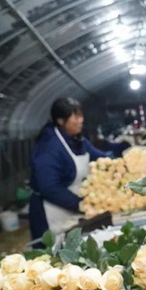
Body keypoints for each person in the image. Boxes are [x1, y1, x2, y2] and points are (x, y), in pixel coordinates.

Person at [29, 97, 110, 241]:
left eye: (81, 115)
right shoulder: (49, 146)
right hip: (51, 212)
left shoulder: (77, 139)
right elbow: (48, 187)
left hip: (72, 207)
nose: (81, 120)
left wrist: (119, 162)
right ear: (61, 121)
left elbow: (99, 158)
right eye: (76, 116)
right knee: (54, 253)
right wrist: (83, 204)